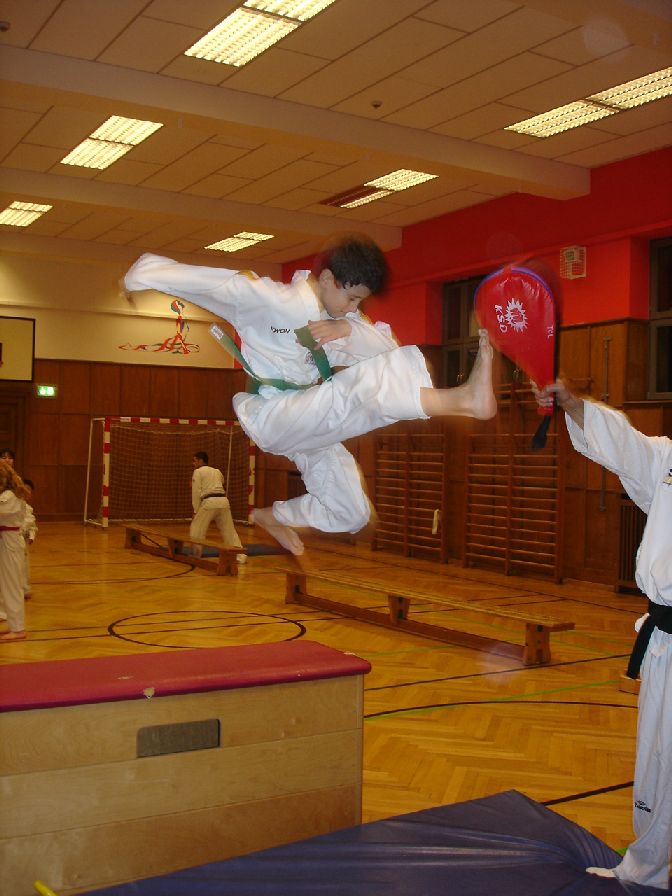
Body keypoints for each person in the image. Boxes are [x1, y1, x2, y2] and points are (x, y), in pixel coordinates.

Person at [125, 235, 496, 556]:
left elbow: (388, 350)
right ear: (329, 279)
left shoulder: (345, 320)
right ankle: (462, 401)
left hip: (307, 418)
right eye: (351, 298)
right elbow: (216, 285)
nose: (353, 309)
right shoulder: (273, 301)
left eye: (359, 303)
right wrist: (142, 274)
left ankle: (274, 516)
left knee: (351, 512)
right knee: (356, 391)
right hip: (271, 414)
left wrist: (347, 330)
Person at [534, 379, 671, 891]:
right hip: (665, 639)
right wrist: (573, 404)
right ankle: (646, 870)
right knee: (657, 760)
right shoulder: (668, 461)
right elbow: (624, 445)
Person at [190, 452, 246, 563]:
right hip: (223, 502)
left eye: (195, 461)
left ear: (201, 461)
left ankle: (196, 555)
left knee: (197, 528)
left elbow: (196, 493)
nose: (193, 463)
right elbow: (221, 482)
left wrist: (196, 510)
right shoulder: (217, 471)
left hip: (209, 502)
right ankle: (240, 556)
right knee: (229, 531)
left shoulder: (198, 472)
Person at [0, 459, 29, 641]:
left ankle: (18, 629)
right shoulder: (7, 494)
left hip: (10, 542)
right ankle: (13, 623)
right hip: (5, 541)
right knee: (5, 585)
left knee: (11, 585)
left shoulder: (10, 496)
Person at [21, 478, 37, 600]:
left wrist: (31, 536)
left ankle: (25, 588)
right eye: (25, 488)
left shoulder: (28, 508)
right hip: (12, 538)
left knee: (24, 566)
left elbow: (32, 526)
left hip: (24, 542)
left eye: (29, 490)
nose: (27, 491)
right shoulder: (11, 505)